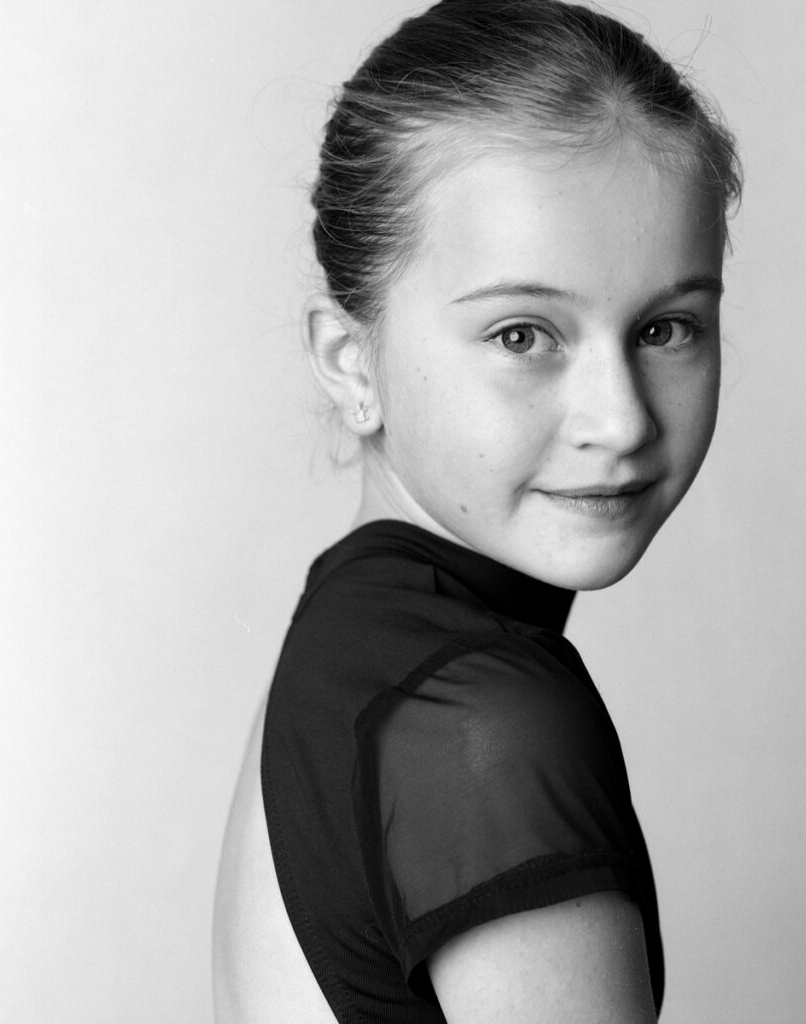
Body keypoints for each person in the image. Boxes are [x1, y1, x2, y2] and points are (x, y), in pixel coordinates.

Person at [213, 0, 741, 1020]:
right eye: (520, 335)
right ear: (349, 362)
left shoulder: (355, 634)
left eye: (666, 327)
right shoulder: (486, 720)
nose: (618, 418)